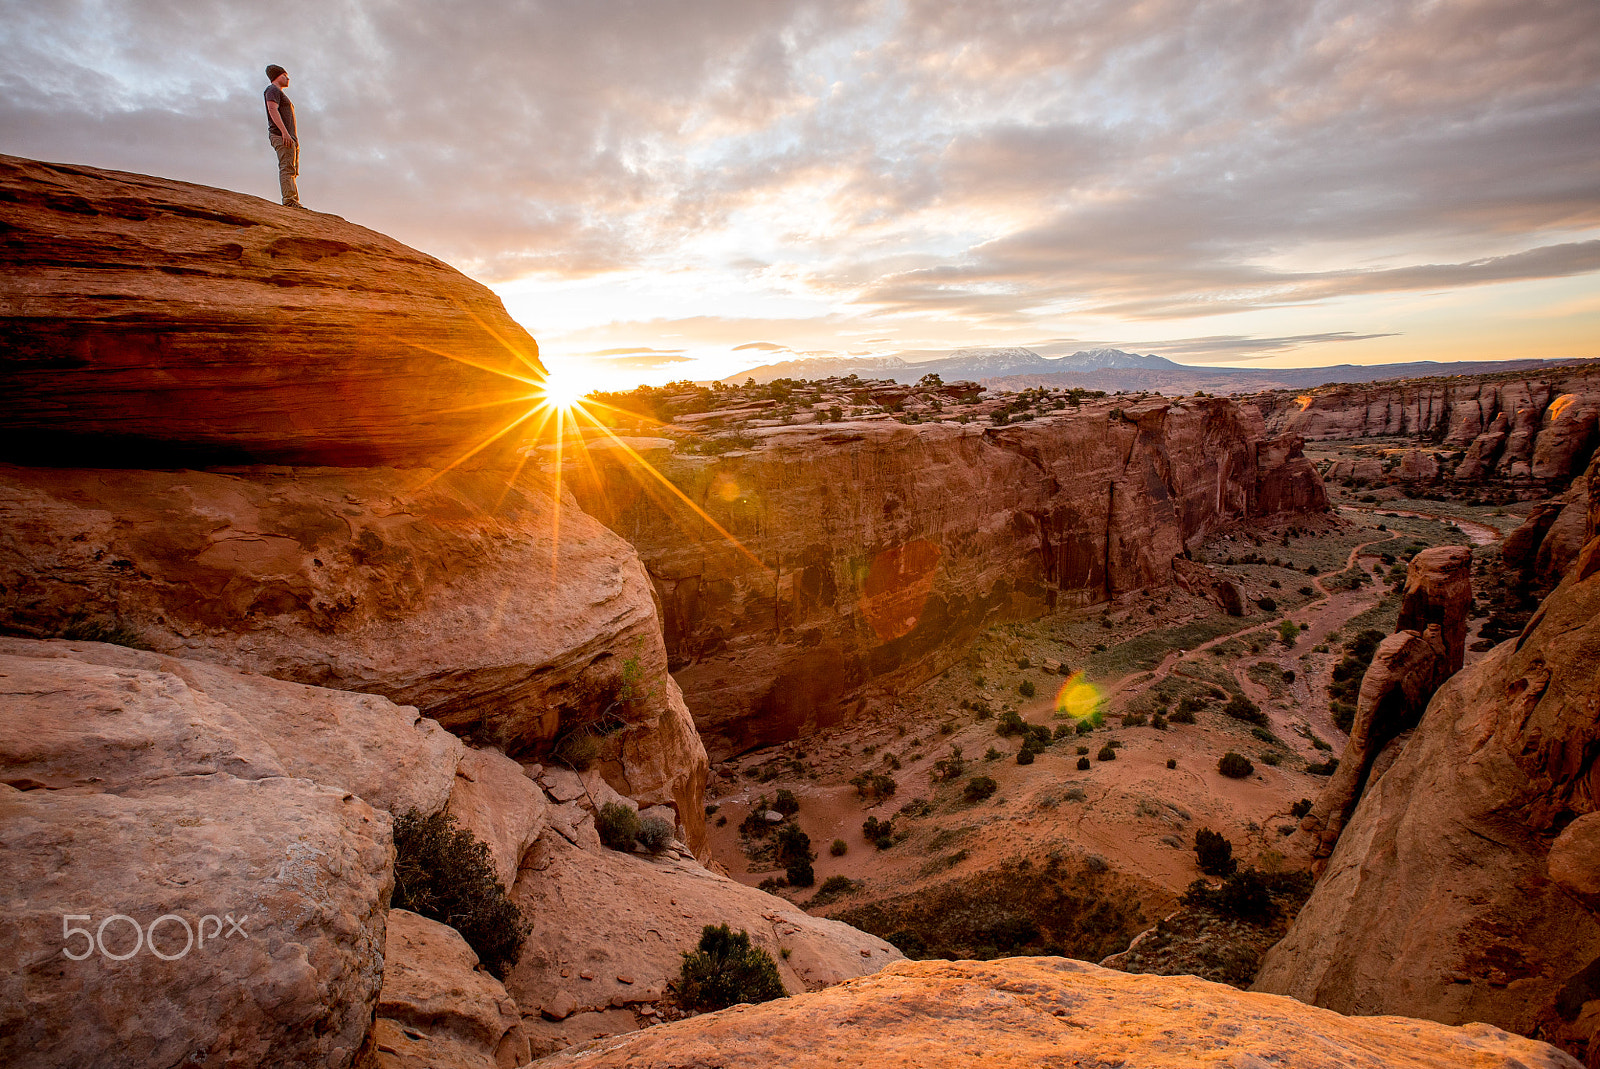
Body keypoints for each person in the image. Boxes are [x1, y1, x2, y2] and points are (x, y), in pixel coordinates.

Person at [263, 64, 303, 209]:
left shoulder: (279, 92)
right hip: (282, 135)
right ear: (277, 76)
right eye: (285, 75)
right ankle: (289, 200)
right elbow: (272, 109)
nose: (288, 78)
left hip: (290, 137)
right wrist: (284, 132)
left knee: (292, 169)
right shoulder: (272, 90)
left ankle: (293, 199)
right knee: (286, 167)